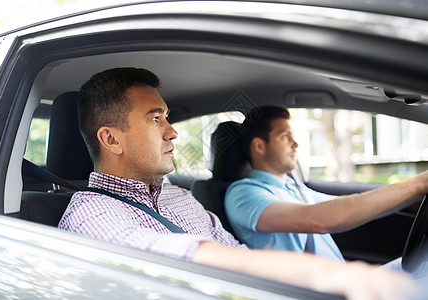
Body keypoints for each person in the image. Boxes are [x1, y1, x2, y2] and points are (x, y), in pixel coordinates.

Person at [58, 67, 418, 300]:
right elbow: (172, 256)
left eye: (167, 117)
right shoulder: (90, 214)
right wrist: (332, 277)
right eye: (156, 119)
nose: (173, 132)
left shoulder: (179, 198)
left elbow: (237, 253)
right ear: (111, 139)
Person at [225, 105, 428, 263]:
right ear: (259, 146)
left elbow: (348, 208)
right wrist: (419, 184)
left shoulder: (293, 188)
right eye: (285, 137)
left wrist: (413, 192)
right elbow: (322, 218)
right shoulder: (243, 193)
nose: (296, 144)